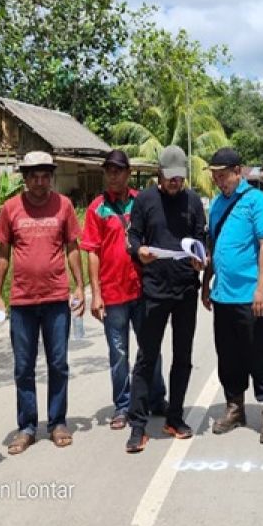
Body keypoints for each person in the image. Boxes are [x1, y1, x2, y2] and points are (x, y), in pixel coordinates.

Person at [0, 150, 84, 454]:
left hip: (57, 298)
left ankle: (57, 422)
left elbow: (72, 247)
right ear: (25, 178)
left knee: (58, 364)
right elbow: (3, 254)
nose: (40, 182)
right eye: (34, 176)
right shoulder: (10, 209)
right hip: (22, 302)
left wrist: (80, 286)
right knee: (23, 367)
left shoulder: (64, 206)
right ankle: (27, 426)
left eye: (46, 176)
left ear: (51, 177)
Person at [124, 145, 208, 453]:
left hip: (186, 290)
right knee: (147, 358)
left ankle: (175, 416)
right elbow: (133, 237)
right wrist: (139, 251)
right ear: (159, 174)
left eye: (180, 179)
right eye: (170, 178)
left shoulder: (194, 201)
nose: (176, 183)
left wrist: (201, 259)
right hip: (155, 291)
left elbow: (200, 239)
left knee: (182, 357)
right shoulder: (145, 201)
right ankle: (137, 426)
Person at [80, 148, 167, 432]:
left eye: (119, 170)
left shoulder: (141, 202)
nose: (113, 175)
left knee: (150, 348)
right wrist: (96, 294)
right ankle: (122, 405)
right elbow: (92, 252)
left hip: (142, 290)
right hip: (113, 294)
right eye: (109, 170)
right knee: (119, 354)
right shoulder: (96, 208)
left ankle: (156, 399)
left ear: (128, 174)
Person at [202, 147, 263, 444]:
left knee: (259, 353)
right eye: (215, 177)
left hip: (250, 296)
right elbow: (212, 248)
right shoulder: (216, 205)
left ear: (239, 172)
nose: (219, 181)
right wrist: (206, 285)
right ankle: (235, 407)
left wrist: (260, 288)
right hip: (222, 296)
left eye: (223, 176)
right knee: (228, 355)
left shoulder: (257, 202)